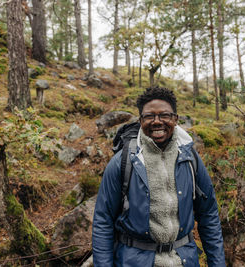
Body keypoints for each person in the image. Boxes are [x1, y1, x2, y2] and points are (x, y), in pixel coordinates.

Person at [92, 87, 226, 266]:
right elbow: (103, 220)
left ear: (175, 119)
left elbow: (208, 214)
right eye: (149, 116)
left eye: (164, 115)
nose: (157, 121)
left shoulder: (189, 158)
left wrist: (217, 263)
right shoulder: (123, 162)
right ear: (140, 120)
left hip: (184, 260)